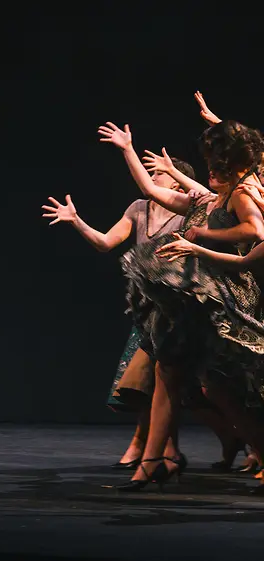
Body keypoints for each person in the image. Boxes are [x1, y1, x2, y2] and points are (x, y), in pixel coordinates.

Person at [99, 120, 264, 492]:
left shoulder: (240, 194)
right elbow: (149, 189)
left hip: (224, 301)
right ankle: (154, 463)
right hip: (200, 300)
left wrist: (200, 237)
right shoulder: (207, 200)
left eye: (216, 164)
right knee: (169, 374)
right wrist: (128, 149)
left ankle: (161, 461)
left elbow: (256, 232)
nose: (210, 170)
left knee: (222, 392)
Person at [42, 155, 199, 469]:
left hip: (179, 306)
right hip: (147, 309)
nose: (150, 178)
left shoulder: (189, 213)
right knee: (145, 383)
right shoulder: (138, 209)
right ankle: (162, 450)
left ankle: (160, 448)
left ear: (177, 181)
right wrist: (77, 221)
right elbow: (105, 242)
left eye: (158, 173)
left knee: (170, 382)